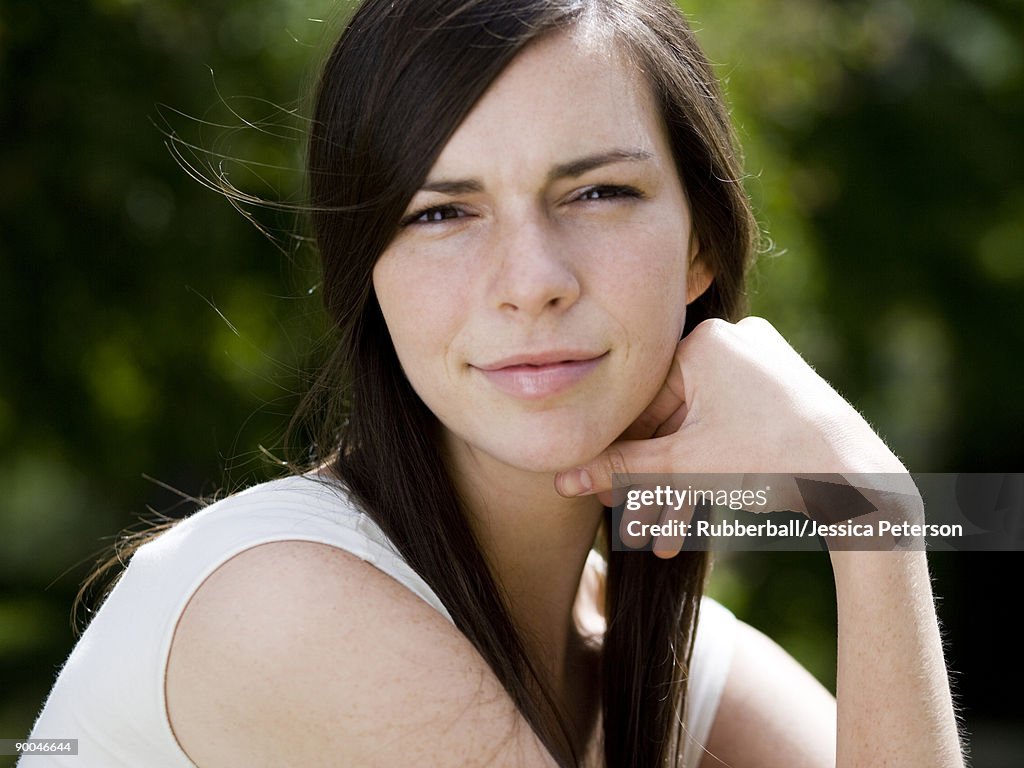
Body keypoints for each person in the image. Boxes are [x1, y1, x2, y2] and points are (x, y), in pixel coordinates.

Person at [21, 0, 964, 766]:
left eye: (598, 193)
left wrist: (873, 512)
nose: (531, 282)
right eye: (442, 212)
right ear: (367, 274)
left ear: (700, 247)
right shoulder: (282, 603)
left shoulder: (653, 655)